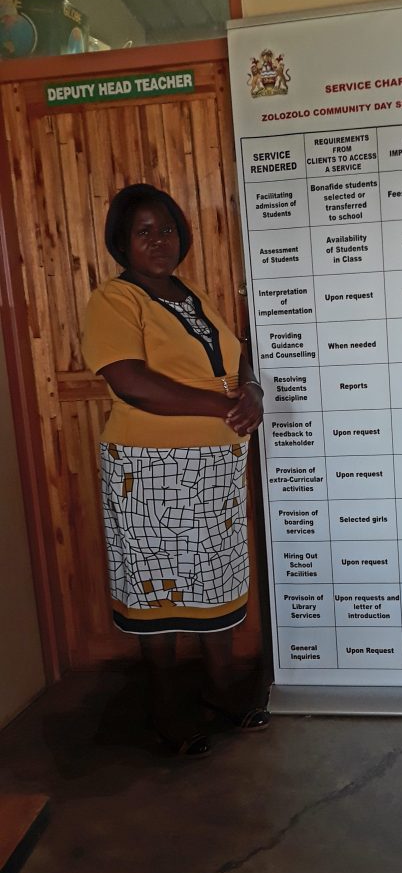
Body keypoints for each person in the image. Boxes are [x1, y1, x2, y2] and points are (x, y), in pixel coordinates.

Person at [83, 183, 267, 757]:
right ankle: (165, 706)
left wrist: (252, 390)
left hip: (211, 468)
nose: (159, 240)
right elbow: (129, 380)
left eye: (166, 229)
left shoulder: (191, 296)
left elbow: (233, 360)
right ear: (123, 242)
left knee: (213, 576)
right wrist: (224, 405)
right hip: (150, 469)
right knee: (157, 586)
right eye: (144, 231)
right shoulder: (115, 300)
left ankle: (219, 687)